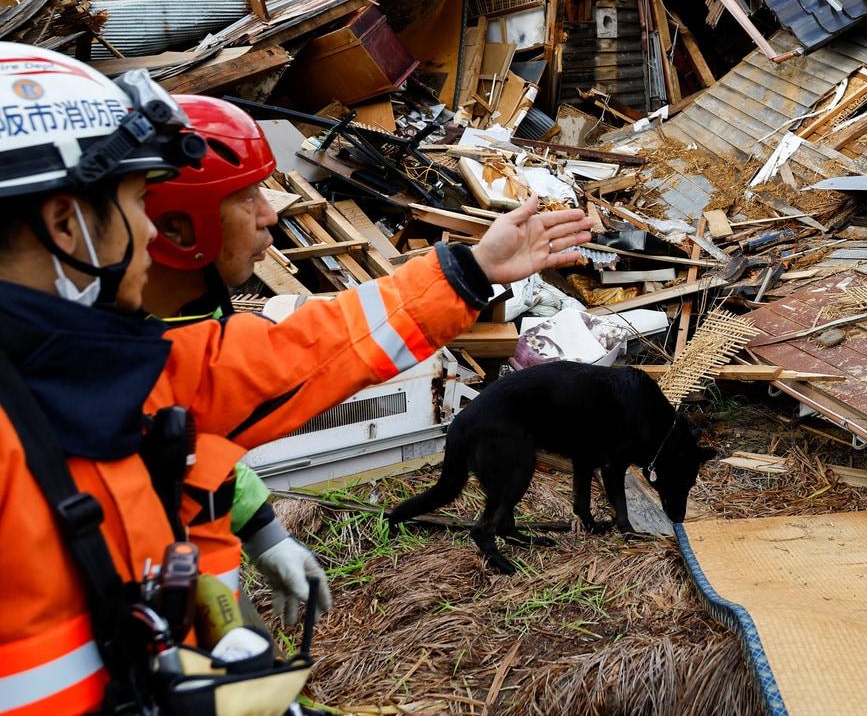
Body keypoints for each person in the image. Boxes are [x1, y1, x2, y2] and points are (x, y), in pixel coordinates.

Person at [0, 42, 592, 715]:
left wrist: (469, 272)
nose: (148, 226)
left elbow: (303, 350)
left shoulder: (112, 365)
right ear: (64, 226)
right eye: (136, 200)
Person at [140, 94, 325, 627]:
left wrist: (264, 531)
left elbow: (190, 453)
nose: (270, 216)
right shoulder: (110, 359)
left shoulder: (176, 325)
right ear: (178, 227)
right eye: (247, 198)